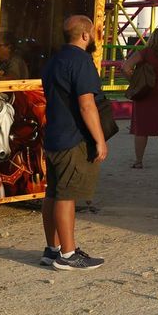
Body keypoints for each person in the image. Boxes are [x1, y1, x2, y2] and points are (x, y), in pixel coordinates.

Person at [39, 14, 107, 271]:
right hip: (72, 137)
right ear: (85, 35)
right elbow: (86, 104)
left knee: (53, 193)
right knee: (66, 196)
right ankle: (68, 254)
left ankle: (52, 249)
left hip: (54, 134)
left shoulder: (54, 60)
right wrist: (100, 140)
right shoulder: (81, 61)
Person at [125, 27, 158, 167]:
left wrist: (134, 81)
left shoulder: (145, 53)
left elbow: (125, 67)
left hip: (145, 91)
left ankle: (139, 161)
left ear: (151, 39)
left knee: (142, 128)